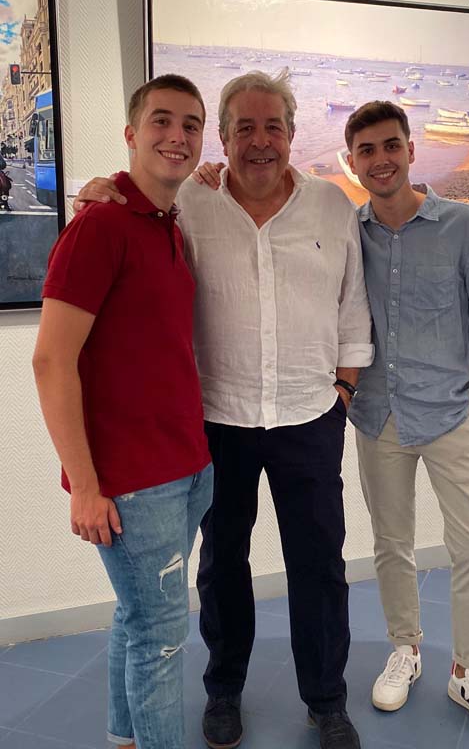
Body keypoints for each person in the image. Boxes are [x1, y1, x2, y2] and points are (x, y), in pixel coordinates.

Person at [73, 69, 373, 749]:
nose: (260, 141)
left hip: (309, 418)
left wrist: (345, 392)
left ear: (292, 134)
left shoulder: (332, 206)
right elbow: (135, 200)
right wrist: (101, 186)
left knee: (320, 566)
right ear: (225, 138)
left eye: (273, 128)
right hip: (217, 422)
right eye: (245, 128)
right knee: (222, 566)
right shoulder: (192, 202)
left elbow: (353, 306)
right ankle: (224, 691)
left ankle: (327, 700)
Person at [33, 74, 214, 749]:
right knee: (161, 636)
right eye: (161, 121)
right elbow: (50, 361)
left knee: (137, 618)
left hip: (187, 465)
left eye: (191, 124)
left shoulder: (167, 221)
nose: (177, 136)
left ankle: (123, 734)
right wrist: (85, 486)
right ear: (132, 134)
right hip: (133, 485)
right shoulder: (99, 226)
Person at [343, 100, 469, 739]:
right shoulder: (349, 231)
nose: (381, 160)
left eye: (391, 145)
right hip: (377, 415)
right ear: (352, 161)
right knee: (391, 542)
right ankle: (405, 649)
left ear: (411, 150)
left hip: (451, 413)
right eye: (366, 150)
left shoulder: (463, 225)